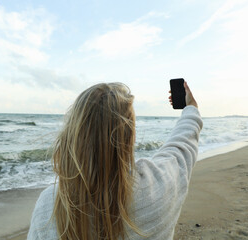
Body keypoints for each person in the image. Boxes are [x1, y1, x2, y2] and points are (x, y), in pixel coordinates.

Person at [27, 82, 202, 240]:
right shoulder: (158, 184)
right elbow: (181, 146)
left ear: (73, 134)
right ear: (130, 137)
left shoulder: (50, 206)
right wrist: (191, 109)